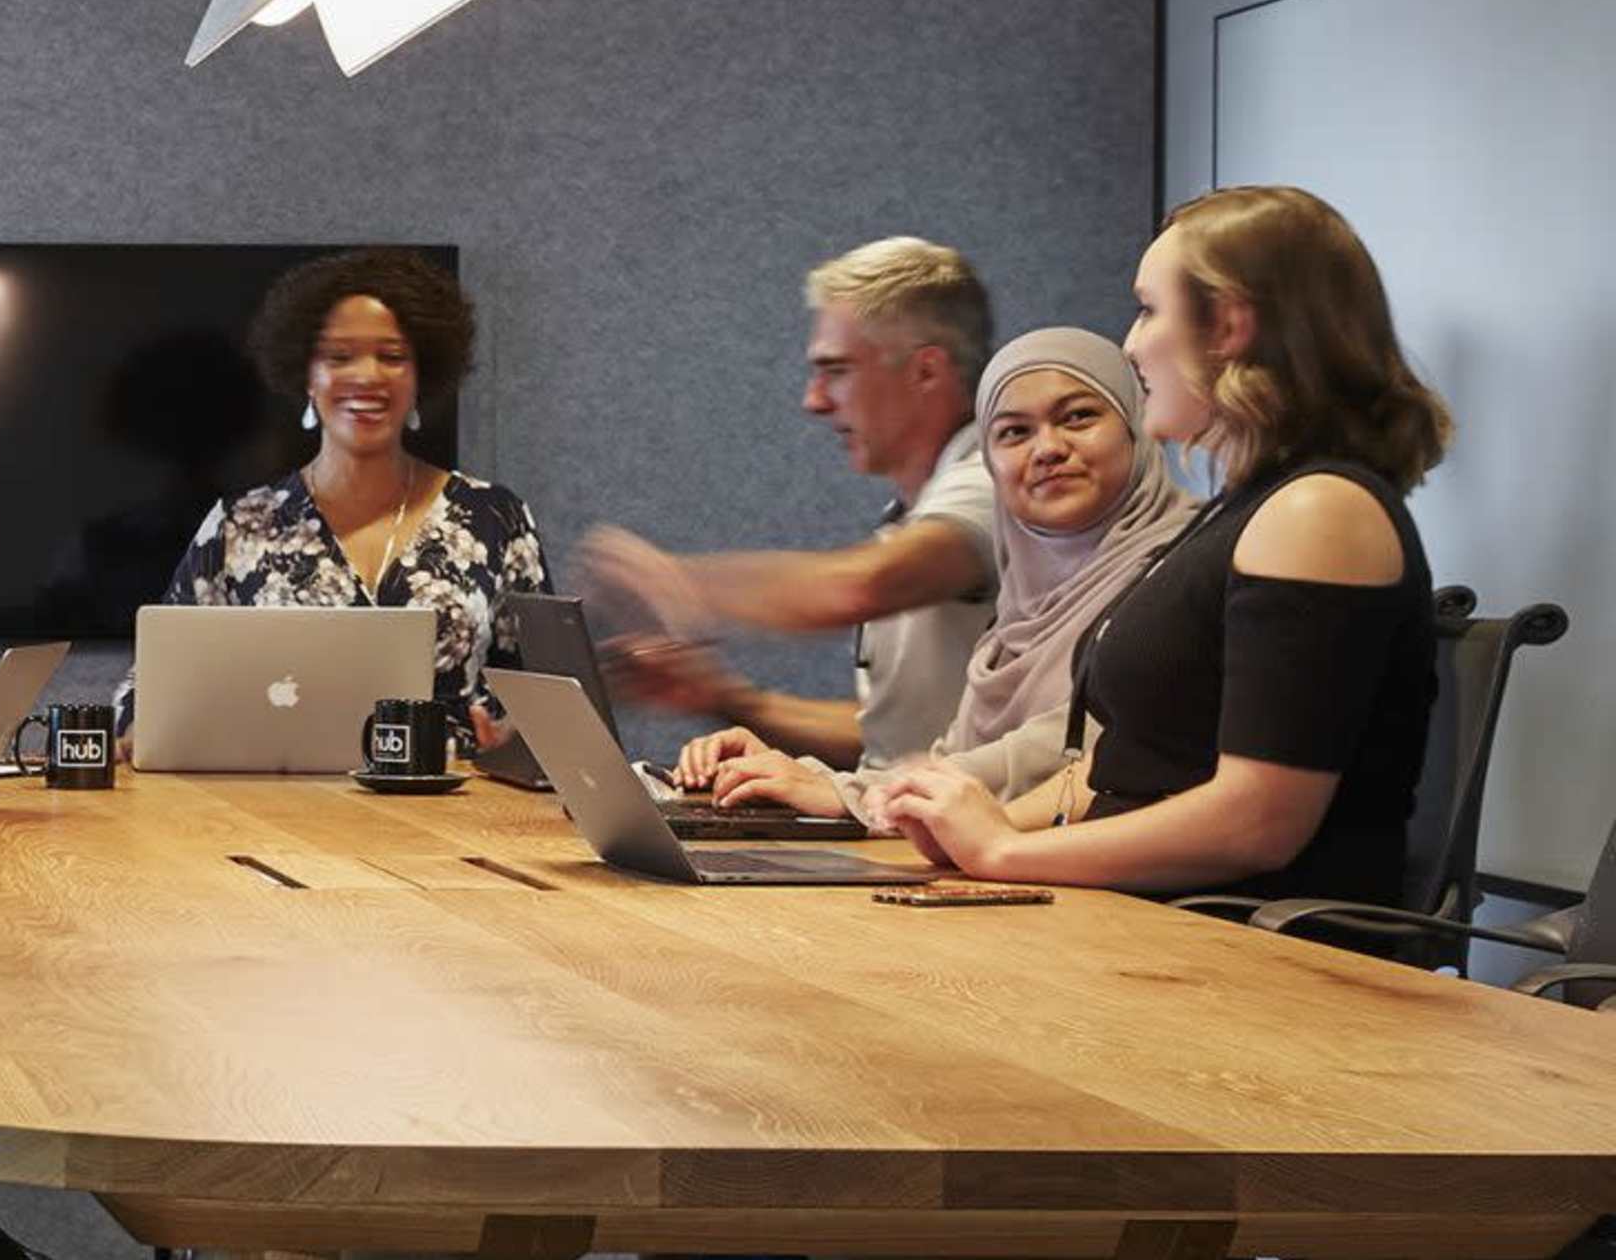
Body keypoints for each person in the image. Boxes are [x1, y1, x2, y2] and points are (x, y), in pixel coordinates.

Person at [867, 187, 1449, 903]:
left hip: (1246, 960)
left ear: (1228, 325)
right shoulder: (1243, 511)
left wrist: (1003, 851)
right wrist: (960, 838)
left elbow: (1258, 820)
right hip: (1146, 924)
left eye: (1149, 310)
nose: (1130, 345)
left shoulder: (1318, 511)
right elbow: (1122, 767)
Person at [668, 329, 1198, 820]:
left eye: (1079, 417)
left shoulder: (1185, 566)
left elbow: (1085, 746)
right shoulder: (1023, 605)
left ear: (1136, 425)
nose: (1048, 449)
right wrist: (800, 776)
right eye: (1014, 432)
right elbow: (960, 764)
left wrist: (851, 795)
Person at [578, 237, 1000, 773]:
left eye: (838, 370)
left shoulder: (993, 481)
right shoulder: (914, 514)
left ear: (926, 371)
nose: (815, 399)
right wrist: (727, 700)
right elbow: (888, 738)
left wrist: (674, 579)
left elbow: (858, 587)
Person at [151, 249, 553, 723]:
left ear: (421, 375)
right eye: (339, 356)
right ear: (307, 376)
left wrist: (516, 740)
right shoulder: (238, 526)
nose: (366, 376)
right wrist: (137, 725)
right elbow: (154, 689)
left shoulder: (496, 518)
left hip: (458, 795)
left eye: (392, 356)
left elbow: (550, 698)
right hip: (280, 795)